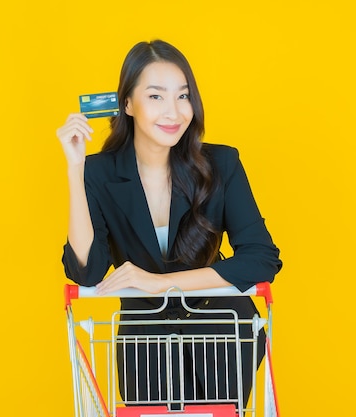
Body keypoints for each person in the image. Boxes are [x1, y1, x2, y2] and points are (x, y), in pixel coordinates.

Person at [57, 39, 282, 409]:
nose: (174, 112)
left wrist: (160, 284)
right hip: (143, 342)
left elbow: (261, 258)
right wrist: (75, 168)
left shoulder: (222, 165)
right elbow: (87, 272)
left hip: (220, 333)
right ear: (127, 104)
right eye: (156, 96)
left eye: (183, 96)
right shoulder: (99, 173)